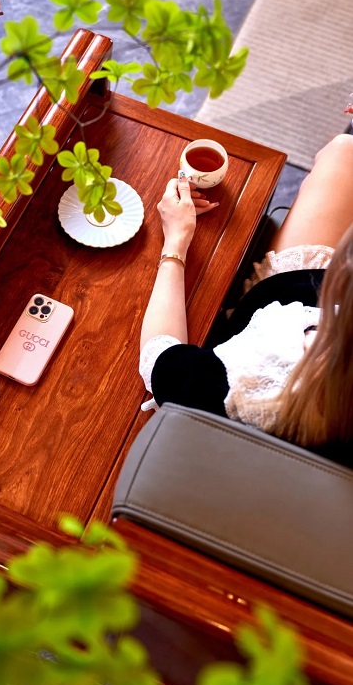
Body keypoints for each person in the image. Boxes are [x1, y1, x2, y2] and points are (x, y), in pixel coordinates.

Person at [139, 133, 353, 461]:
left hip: (287, 295)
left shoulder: (246, 378)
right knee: (344, 152)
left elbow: (158, 357)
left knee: (343, 150)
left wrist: (176, 239)